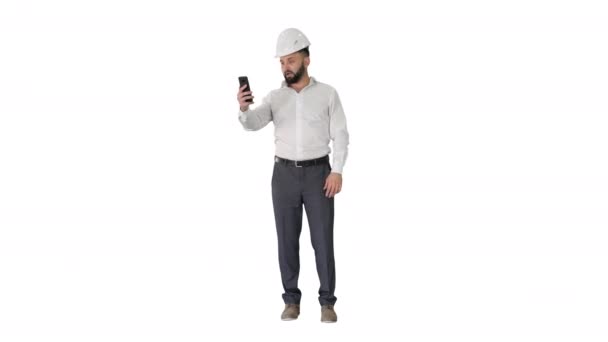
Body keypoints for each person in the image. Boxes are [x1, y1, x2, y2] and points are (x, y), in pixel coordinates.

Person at [236, 28, 349, 323]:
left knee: (322, 240)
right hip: (283, 175)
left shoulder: (327, 94)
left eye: (291, 60)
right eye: (282, 62)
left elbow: (340, 134)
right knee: (286, 240)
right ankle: (291, 301)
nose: (286, 67)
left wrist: (336, 170)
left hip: (318, 175)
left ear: (306, 60)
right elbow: (251, 124)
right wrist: (244, 107)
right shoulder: (275, 97)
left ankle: (327, 302)